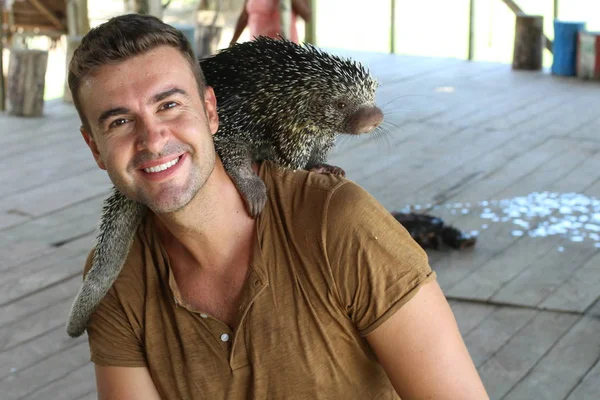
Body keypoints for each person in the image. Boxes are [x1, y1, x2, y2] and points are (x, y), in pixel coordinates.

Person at [68, 13, 489, 400]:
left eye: (170, 104)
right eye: (119, 121)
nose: (153, 138)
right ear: (94, 149)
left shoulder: (339, 224)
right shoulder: (120, 279)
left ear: (211, 110)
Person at [229, 0, 311, 46]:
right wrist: (232, 43)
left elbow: (307, 16)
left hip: (285, 51)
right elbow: (244, 16)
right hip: (257, 50)